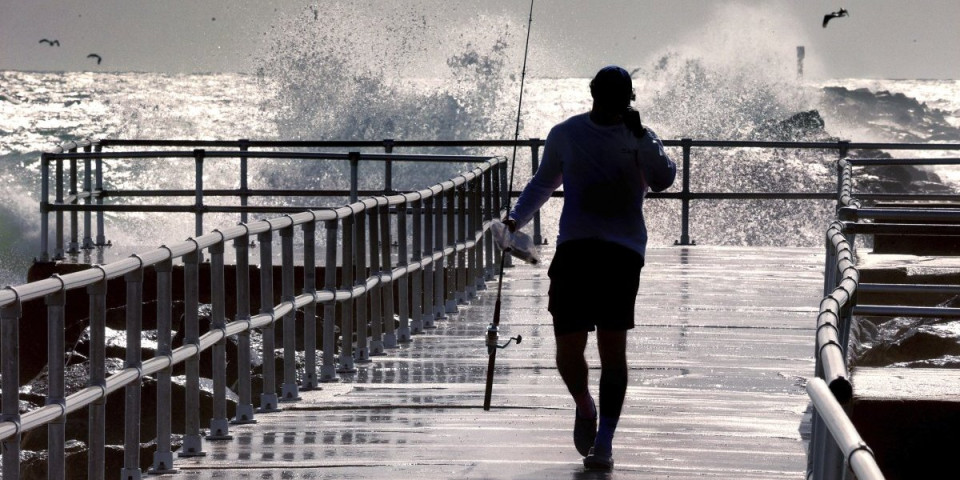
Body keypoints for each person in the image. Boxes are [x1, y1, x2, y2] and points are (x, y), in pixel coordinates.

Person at [505, 65, 676, 470]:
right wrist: (514, 220)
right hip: (575, 249)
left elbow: (663, 179)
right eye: (607, 95)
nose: (613, 103)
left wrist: (641, 136)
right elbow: (543, 183)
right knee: (568, 350)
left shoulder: (641, 137)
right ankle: (585, 406)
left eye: (620, 97)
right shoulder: (566, 133)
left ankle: (605, 442)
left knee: (612, 350)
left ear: (629, 100)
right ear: (593, 93)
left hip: (622, 252)